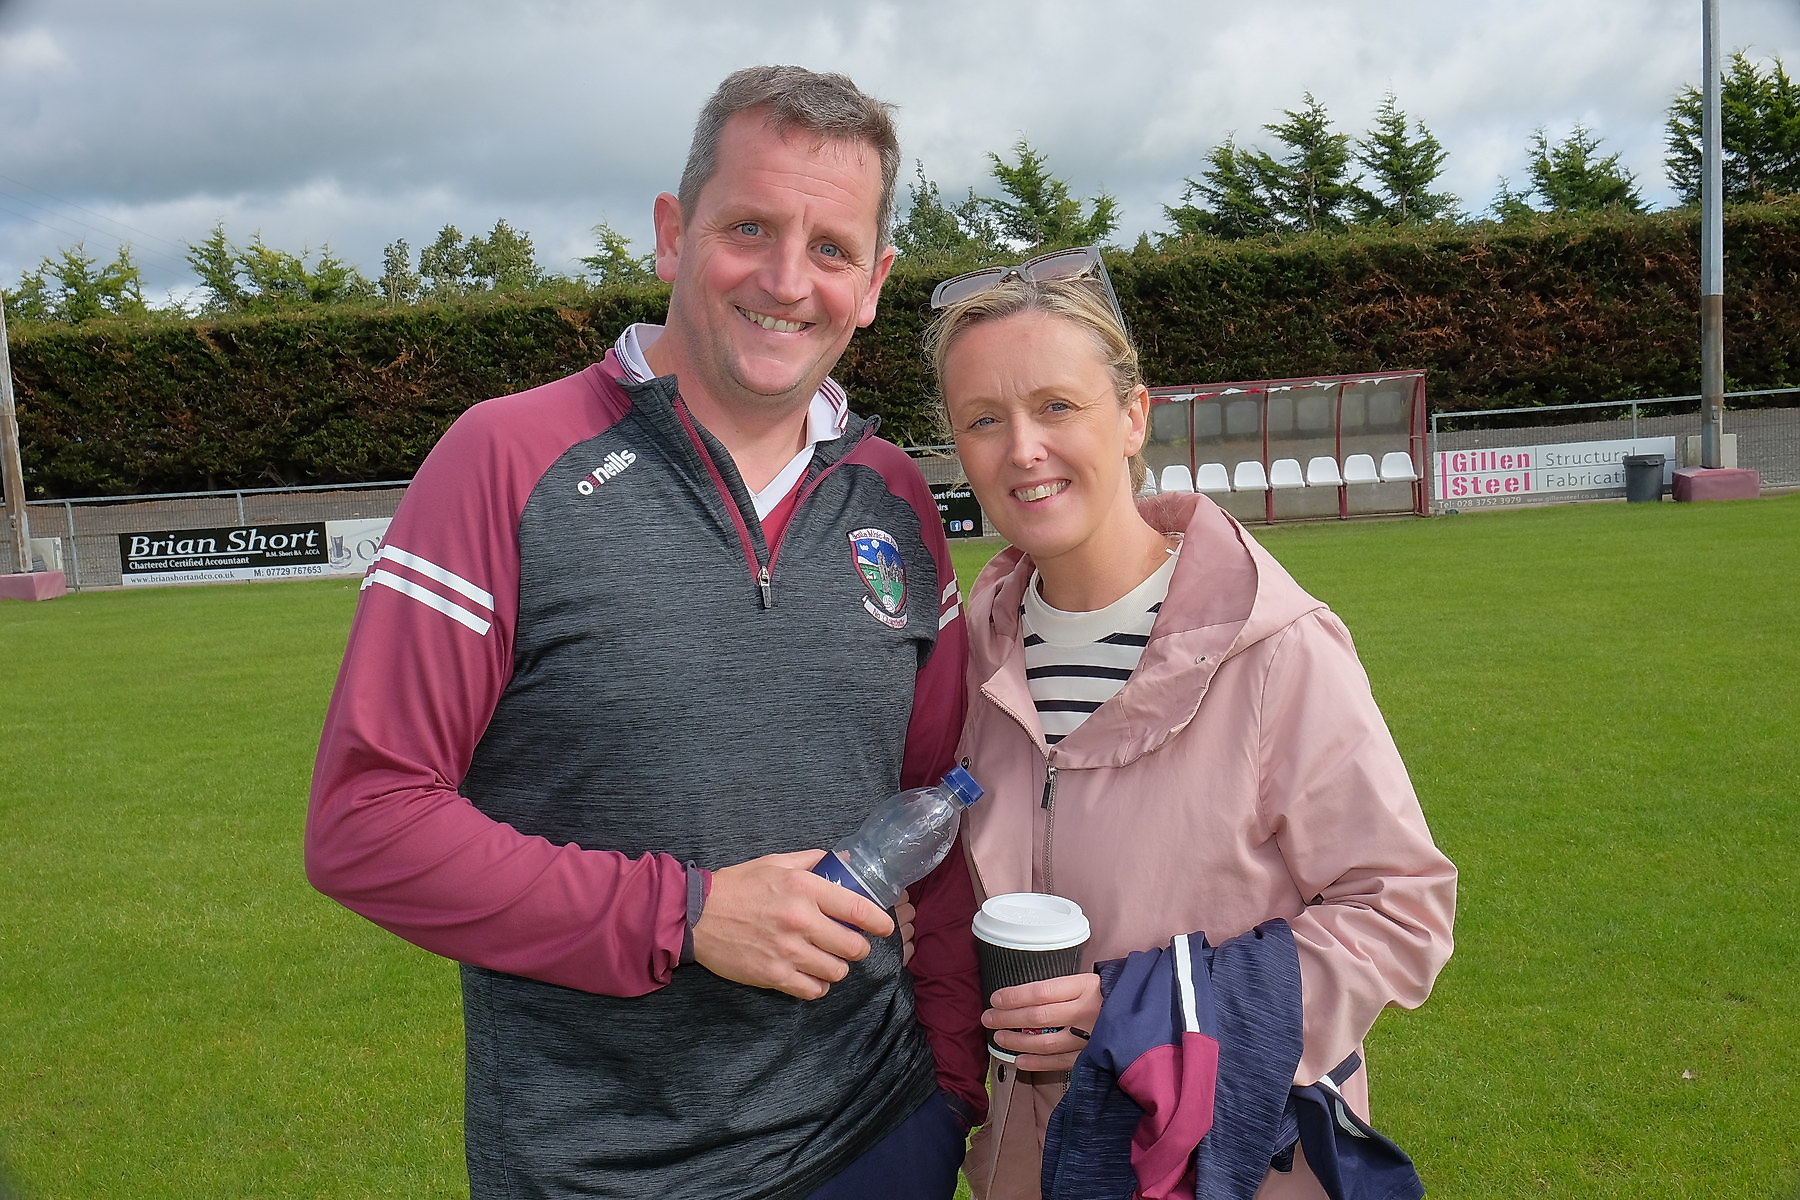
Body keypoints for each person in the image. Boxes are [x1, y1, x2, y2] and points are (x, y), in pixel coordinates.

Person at [305, 66, 986, 1200]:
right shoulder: (503, 460)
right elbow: (366, 823)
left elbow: (946, 805)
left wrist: (952, 1092)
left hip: (879, 1135)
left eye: (829, 249)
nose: (784, 280)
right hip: (600, 1171)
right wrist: (687, 913)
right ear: (674, 235)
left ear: (872, 285)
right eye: (750, 227)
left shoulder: (892, 499)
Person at [924, 253, 1456, 1199]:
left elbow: (1402, 907)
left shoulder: (1276, 648)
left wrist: (1148, 1017)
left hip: (1230, 1160)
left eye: (1057, 406)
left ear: (1133, 416)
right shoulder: (969, 654)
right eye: (983, 420)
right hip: (1030, 1161)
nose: (1023, 450)